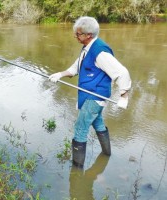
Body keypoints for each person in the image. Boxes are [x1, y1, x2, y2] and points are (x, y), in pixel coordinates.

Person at [48, 16, 131, 168]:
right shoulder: (87, 48)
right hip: (89, 95)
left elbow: (122, 73)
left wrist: (124, 96)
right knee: (98, 122)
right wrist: (60, 74)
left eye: (78, 34)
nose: (75, 36)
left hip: (95, 96)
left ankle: (77, 171)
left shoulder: (99, 52)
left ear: (88, 35)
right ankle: (107, 154)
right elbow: (75, 68)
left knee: (80, 128)